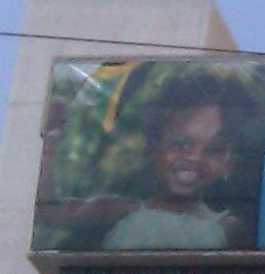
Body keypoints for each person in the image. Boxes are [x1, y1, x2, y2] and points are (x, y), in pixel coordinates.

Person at [36, 72, 253, 251]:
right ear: (154, 146)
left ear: (229, 163)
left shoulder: (228, 229)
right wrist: (48, 143)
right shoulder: (118, 210)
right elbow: (47, 212)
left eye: (213, 150)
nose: (194, 157)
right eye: (181, 144)